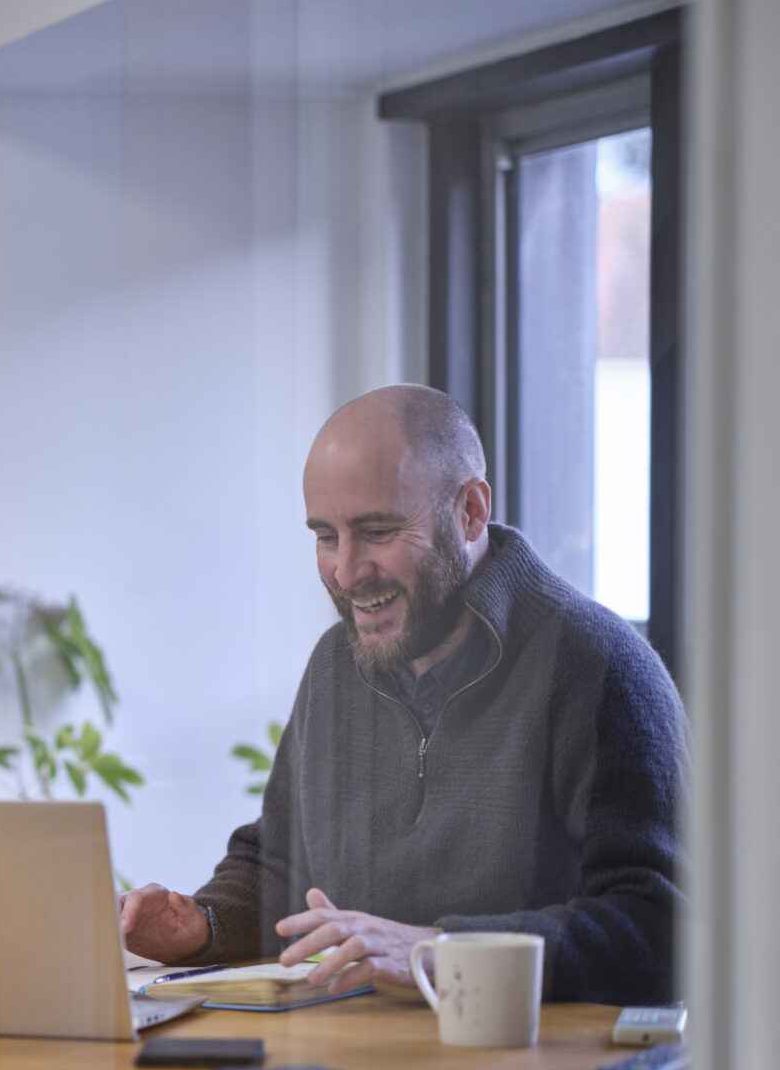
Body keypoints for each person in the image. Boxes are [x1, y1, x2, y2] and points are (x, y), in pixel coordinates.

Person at [120, 384, 684, 1006]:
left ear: (470, 512)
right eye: (325, 536)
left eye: (377, 531)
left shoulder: (597, 665)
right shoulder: (336, 665)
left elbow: (658, 929)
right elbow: (279, 864)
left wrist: (439, 952)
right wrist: (201, 925)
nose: (346, 570)